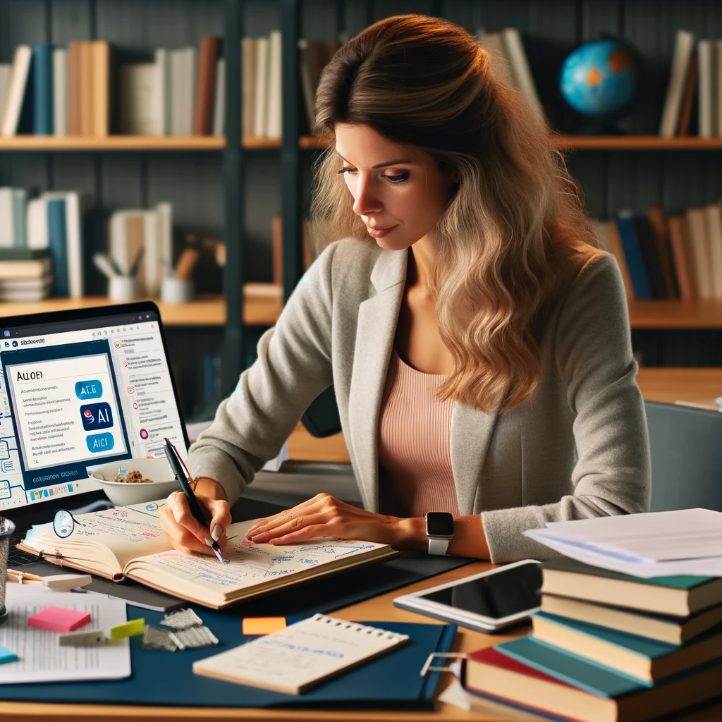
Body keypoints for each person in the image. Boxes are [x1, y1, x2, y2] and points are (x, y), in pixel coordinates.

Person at [160, 14, 651, 563]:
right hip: (382, 593)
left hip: (516, 599)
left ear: (465, 169)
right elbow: (231, 440)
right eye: (349, 168)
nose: (361, 201)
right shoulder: (343, 275)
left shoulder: (577, 284)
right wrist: (201, 494)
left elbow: (615, 512)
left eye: (394, 175)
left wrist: (401, 531)